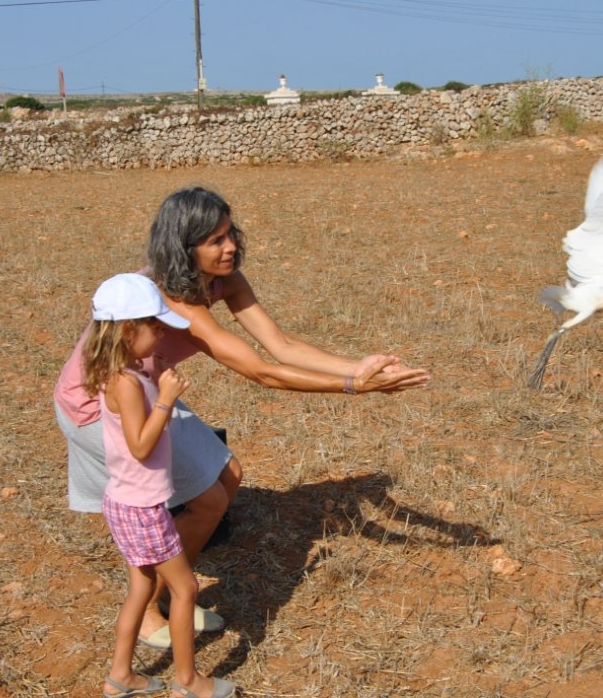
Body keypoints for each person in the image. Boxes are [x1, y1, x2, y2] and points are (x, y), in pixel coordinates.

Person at [54, 185, 430, 649]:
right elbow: (262, 372)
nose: (230, 246)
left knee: (227, 474)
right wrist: (355, 387)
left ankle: (174, 590)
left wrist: (359, 366)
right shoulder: (171, 298)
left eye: (230, 234)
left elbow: (281, 345)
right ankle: (152, 606)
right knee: (202, 500)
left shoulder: (224, 280)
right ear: (183, 248)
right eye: (214, 240)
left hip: (149, 388)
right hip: (99, 403)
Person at [82, 273, 237, 698]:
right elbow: (140, 446)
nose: (162, 332)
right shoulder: (126, 383)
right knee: (185, 588)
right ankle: (188, 682)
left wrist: (159, 380)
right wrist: (165, 399)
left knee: (142, 588)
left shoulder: (124, 371)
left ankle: (121, 676)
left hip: (126, 502)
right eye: (155, 326)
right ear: (128, 330)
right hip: (143, 508)